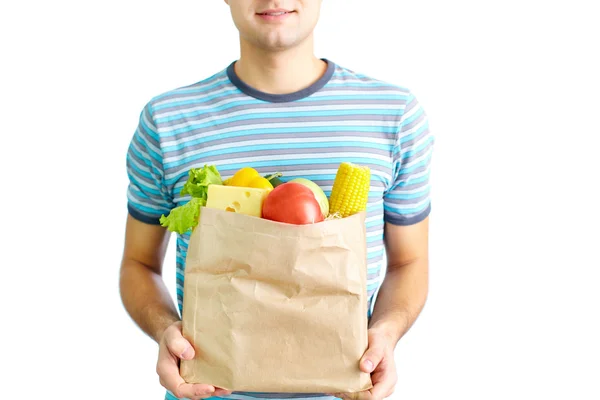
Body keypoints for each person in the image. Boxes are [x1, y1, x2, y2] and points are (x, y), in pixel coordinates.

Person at [119, 1, 434, 399]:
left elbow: (410, 262)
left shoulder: (395, 115)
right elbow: (138, 264)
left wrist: (385, 334)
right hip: (208, 392)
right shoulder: (167, 120)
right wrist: (166, 329)